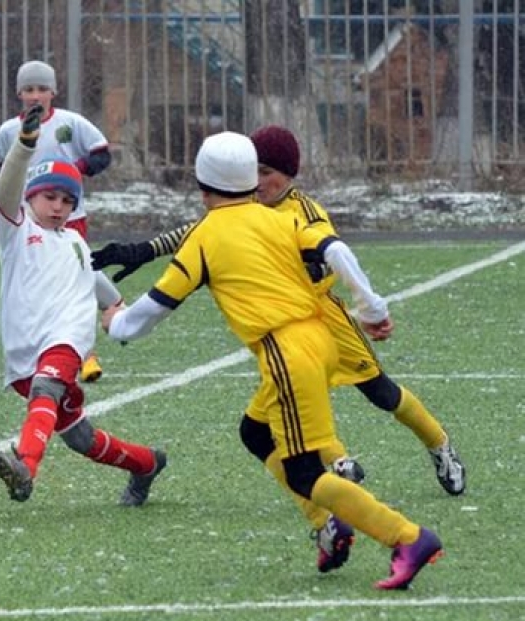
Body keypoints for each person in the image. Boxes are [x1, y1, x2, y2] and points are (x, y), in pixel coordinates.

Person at [102, 130, 443, 590]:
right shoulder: (279, 218)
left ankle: (407, 537)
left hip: (286, 352)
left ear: (202, 188)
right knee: (255, 431)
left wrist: (116, 323)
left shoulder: (204, 236)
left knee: (306, 472)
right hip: (319, 339)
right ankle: (330, 524)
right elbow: (335, 250)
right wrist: (372, 308)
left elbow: (152, 310)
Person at [0, 103, 166, 507]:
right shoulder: (16, 230)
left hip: (66, 338)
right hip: (23, 349)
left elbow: (102, 288)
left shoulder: (76, 243)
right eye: (50, 196)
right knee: (79, 437)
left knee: (46, 386)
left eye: (68, 200)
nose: (59, 206)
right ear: (32, 197)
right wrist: (23, 147)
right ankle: (146, 463)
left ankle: (25, 468)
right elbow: (4, 190)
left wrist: (114, 309)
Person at [0, 60, 117, 383]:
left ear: (53, 92)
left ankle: (86, 354)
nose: (35, 95)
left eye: (42, 88)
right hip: (27, 221)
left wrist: (72, 174)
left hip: (70, 218)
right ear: (19, 93)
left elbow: (102, 152)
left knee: (78, 281)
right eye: (29, 89)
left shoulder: (70, 124)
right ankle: (42, 348)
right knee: (38, 286)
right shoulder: (8, 131)